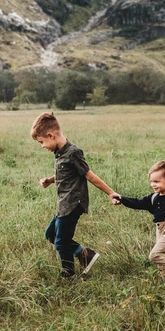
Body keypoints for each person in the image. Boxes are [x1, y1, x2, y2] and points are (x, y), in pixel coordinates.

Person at [31, 112, 116, 279]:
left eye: (41, 142)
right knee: (51, 235)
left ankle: (69, 274)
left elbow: (89, 175)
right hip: (63, 204)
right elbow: (67, 173)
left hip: (73, 204)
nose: (42, 146)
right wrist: (50, 180)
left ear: (51, 135)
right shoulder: (60, 153)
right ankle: (84, 254)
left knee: (61, 241)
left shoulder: (73, 152)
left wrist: (111, 193)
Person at [112, 160, 165, 285]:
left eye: (156, 181)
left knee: (155, 255)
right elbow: (137, 203)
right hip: (160, 231)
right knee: (164, 260)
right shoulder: (153, 197)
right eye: (151, 181)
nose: (153, 184)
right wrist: (121, 199)